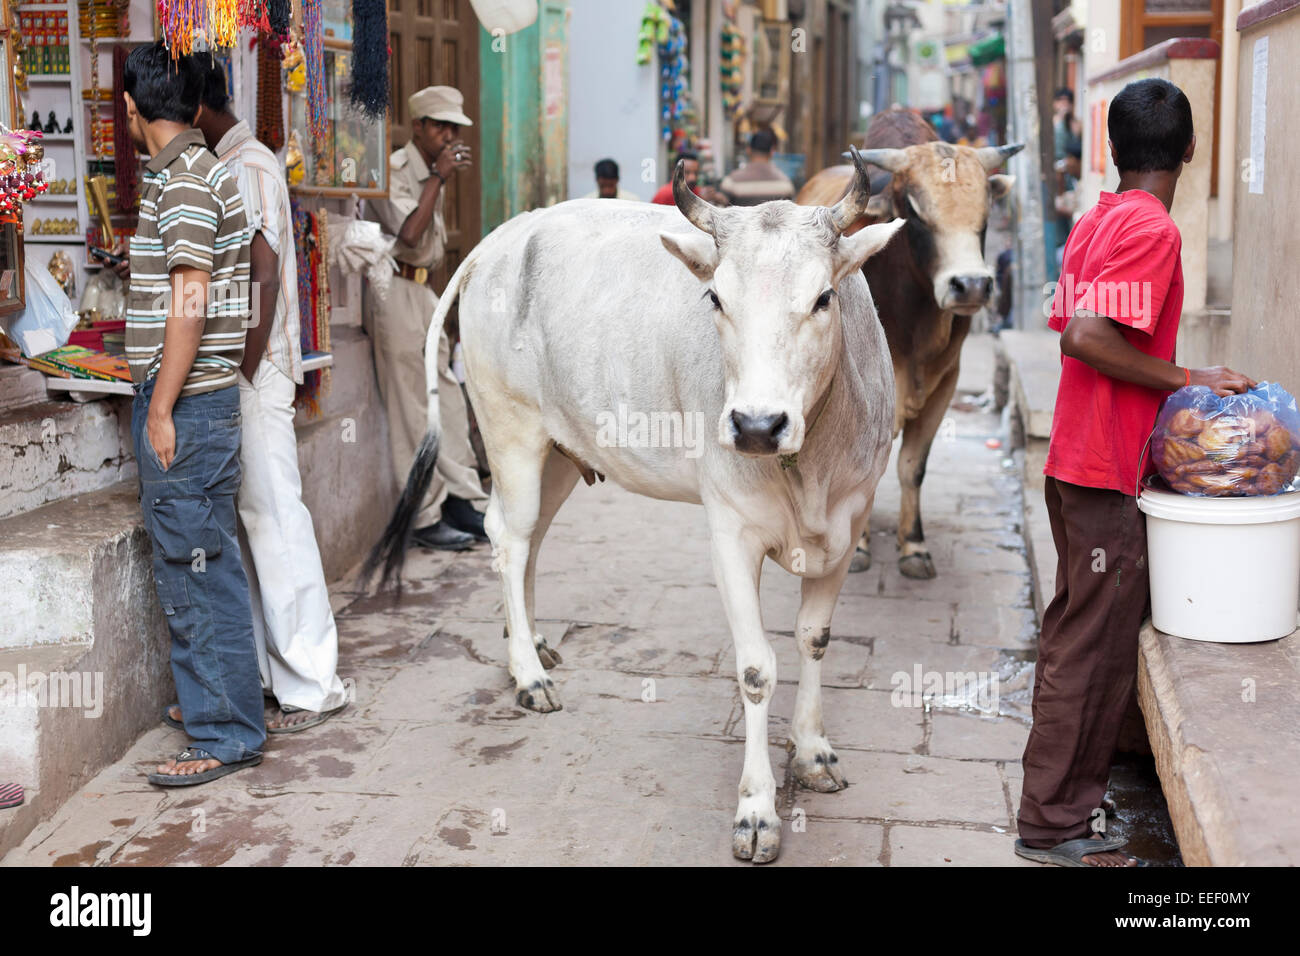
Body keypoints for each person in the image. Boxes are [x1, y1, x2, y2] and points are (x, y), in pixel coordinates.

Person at [1015, 78, 1256, 867]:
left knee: (1084, 635)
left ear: (1111, 150)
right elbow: (1084, 337)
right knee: (1089, 644)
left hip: (1073, 458)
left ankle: (1072, 801)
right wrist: (1190, 376)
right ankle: (1052, 824)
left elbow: (1071, 320)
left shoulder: (1097, 220)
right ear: (1190, 150)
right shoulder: (1151, 231)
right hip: (1104, 468)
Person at [120, 42, 265, 785]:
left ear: (131, 109)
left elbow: (190, 298)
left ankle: (222, 735)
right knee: (212, 567)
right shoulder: (210, 172)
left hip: (191, 405)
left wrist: (161, 409)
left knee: (192, 570)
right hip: (212, 403)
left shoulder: (183, 184)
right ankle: (231, 714)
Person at [192, 56, 348, 733]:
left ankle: (314, 682)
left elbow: (263, 271)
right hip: (248, 369)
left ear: (196, 110)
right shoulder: (242, 161)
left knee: (277, 522)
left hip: (254, 372)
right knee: (259, 524)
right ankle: (271, 675)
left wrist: (241, 371)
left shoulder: (248, 165)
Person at [362, 86, 488, 551]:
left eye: (454, 127)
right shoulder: (393, 170)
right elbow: (410, 235)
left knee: (448, 398)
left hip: (423, 291)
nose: (449, 135)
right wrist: (437, 177)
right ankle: (424, 515)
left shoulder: (433, 171)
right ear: (417, 127)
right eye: (440, 126)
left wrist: (438, 177)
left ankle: (461, 499)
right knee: (412, 408)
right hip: (392, 289)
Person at [719, 129, 794, 206]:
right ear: (772, 151)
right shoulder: (785, 183)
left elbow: (723, 210)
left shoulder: (731, 181)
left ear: (748, 150)